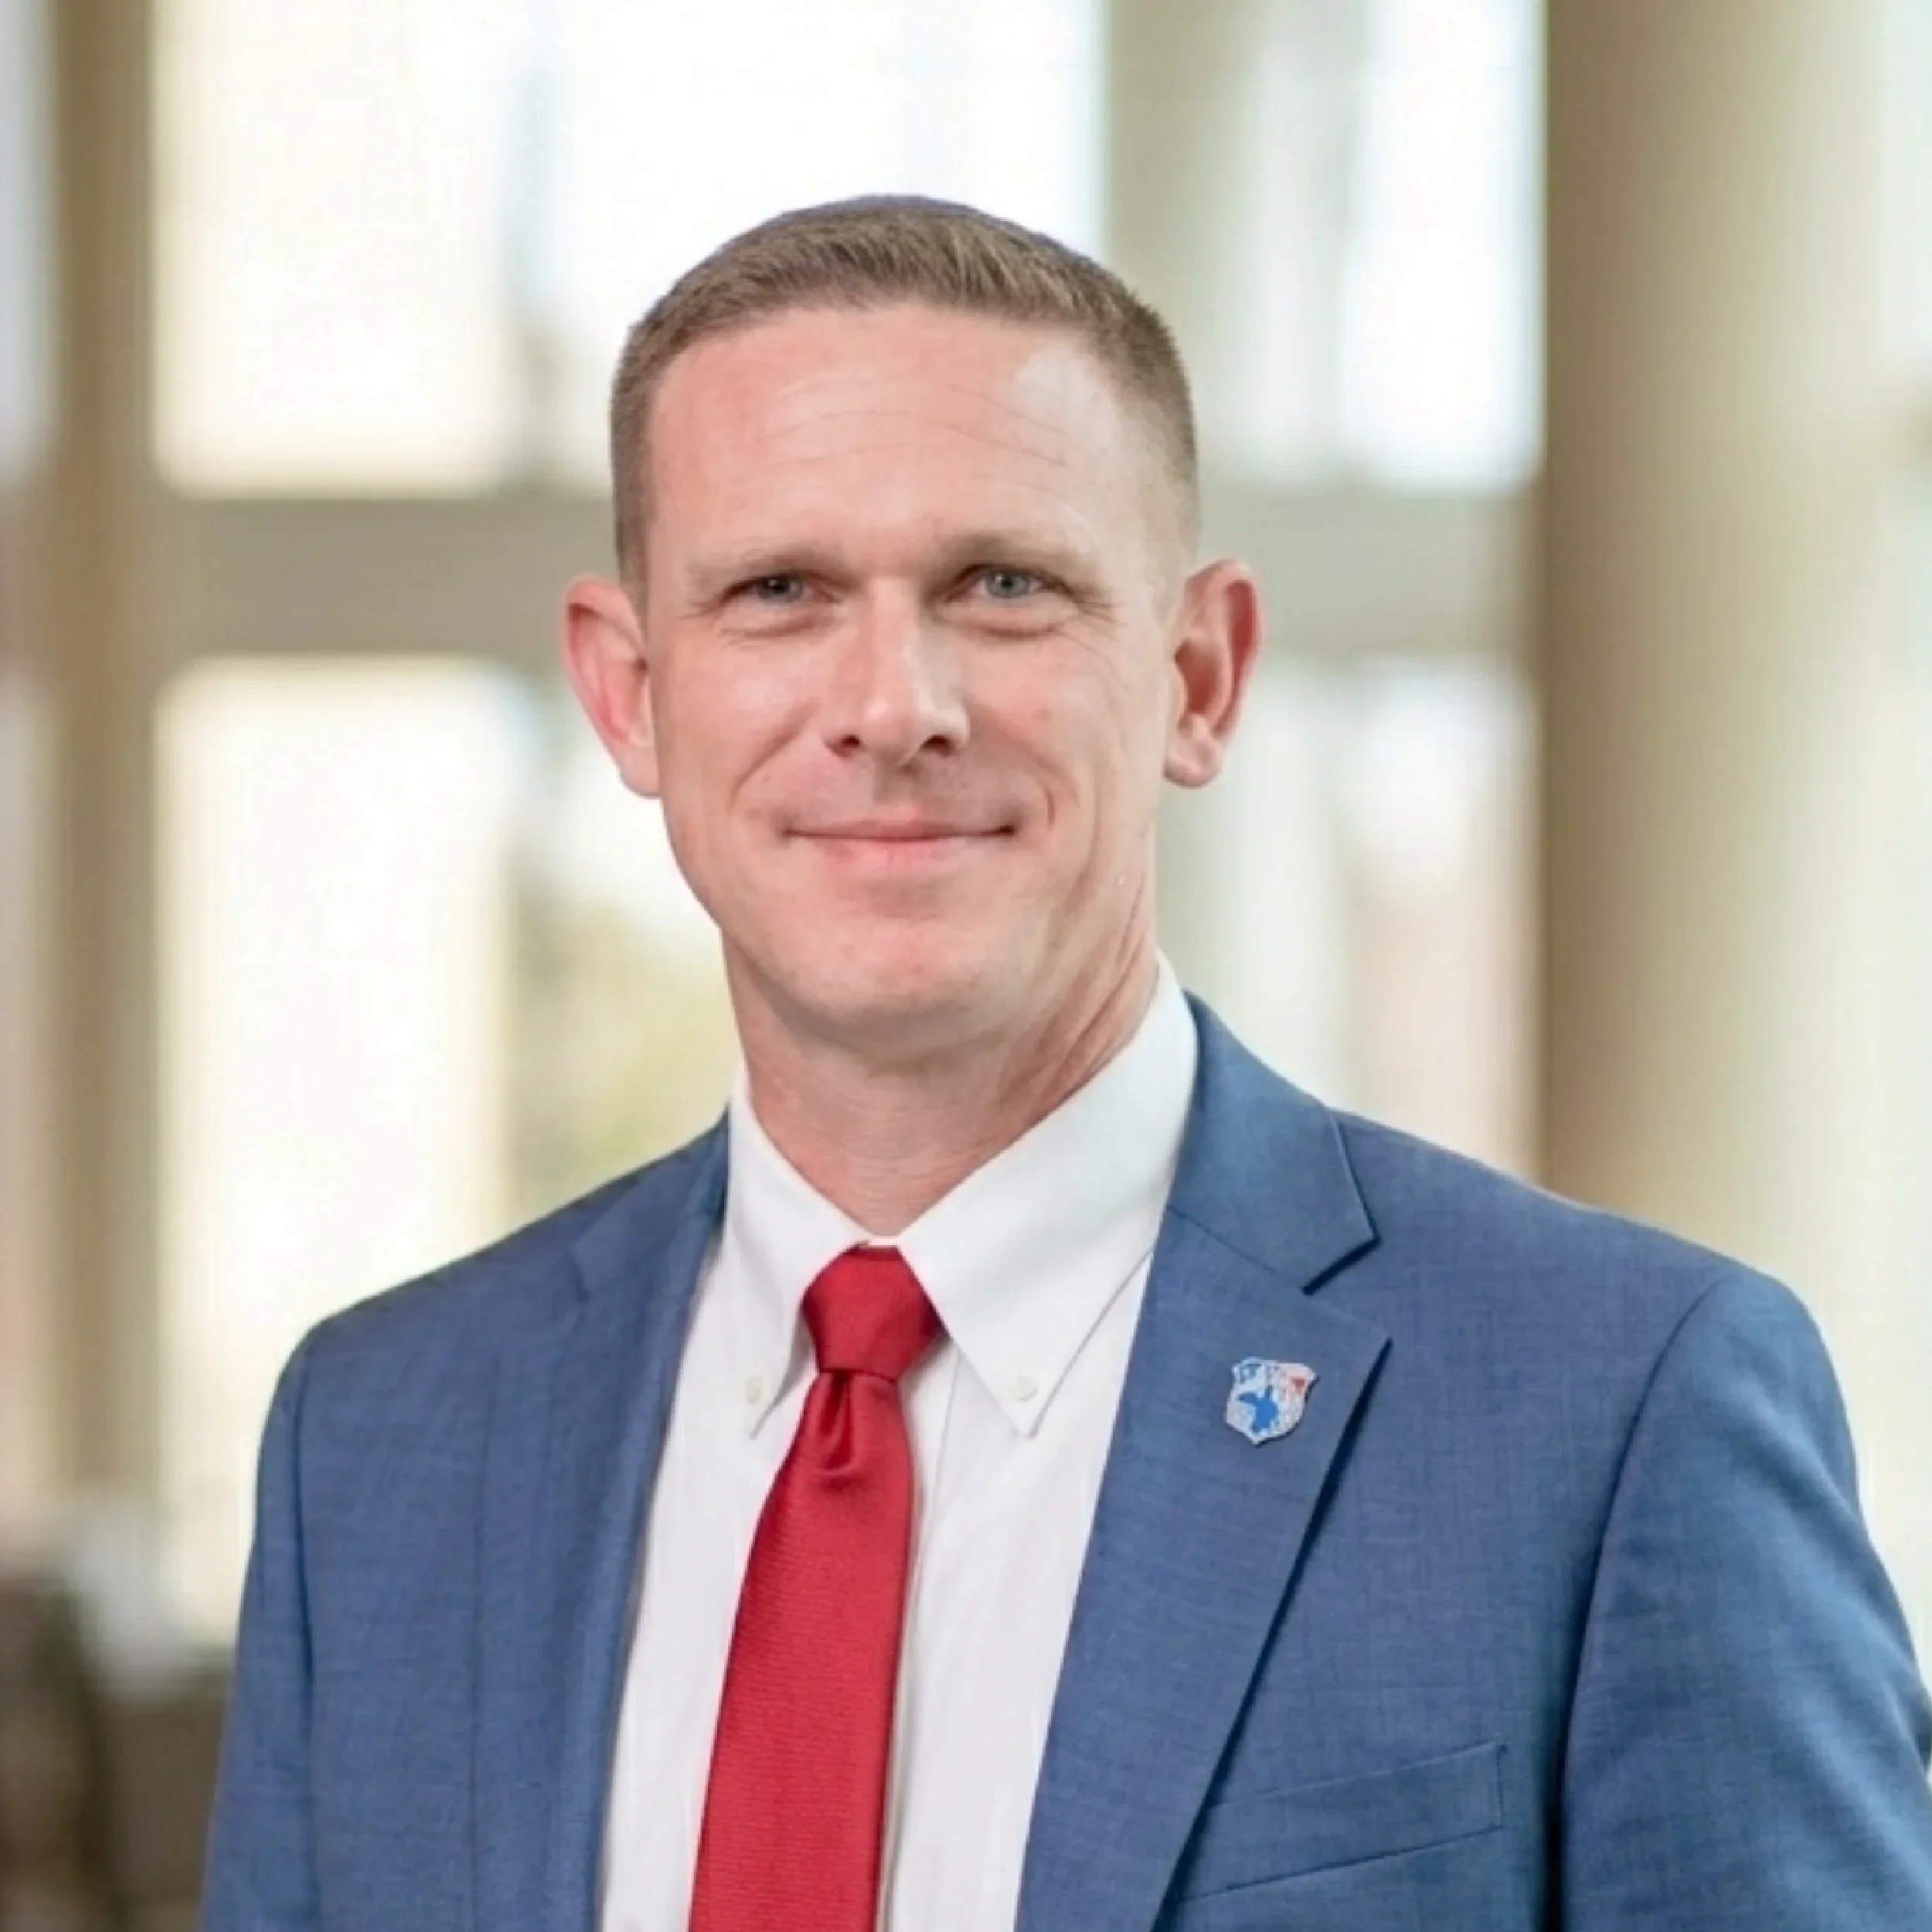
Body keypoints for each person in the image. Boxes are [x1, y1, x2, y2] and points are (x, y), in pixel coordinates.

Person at [200, 196, 1932, 1932]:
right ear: (629, 690)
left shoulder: (1615, 1409)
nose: (893, 703)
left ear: (1194, 673)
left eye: (1003, 585)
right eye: (779, 591)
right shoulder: (378, 1442)